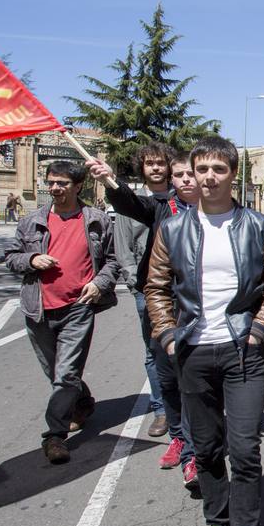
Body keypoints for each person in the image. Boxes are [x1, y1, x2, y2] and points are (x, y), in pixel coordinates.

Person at [146, 136, 264, 526]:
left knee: (244, 449)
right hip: (191, 351)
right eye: (201, 168)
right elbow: (157, 287)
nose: (207, 177)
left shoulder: (261, 226)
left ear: (233, 174)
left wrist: (260, 328)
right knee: (205, 448)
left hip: (243, 350)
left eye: (217, 169)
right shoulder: (172, 229)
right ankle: (218, 524)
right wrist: (167, 335)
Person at [89, 149, 202, 488]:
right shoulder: (161, 207)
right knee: (167, 374)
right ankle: (180, 438)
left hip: (200, 305)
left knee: (195, 375)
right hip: (163, 303)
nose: (184, 180)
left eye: (189, 174)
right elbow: (129, 204)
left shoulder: (218, 211)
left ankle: (194, 448)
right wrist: (110, 179)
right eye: (178, 174)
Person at [4, 160, 119, 464]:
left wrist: (99, 283)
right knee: (56, 372)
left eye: (62, 183)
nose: (54, 188)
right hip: (38, 308)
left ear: (78, 186)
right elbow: (11, 257)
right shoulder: (32, 221)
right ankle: (82, 401)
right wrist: (31, 260)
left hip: (78, 307)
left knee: (66, 373)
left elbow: (112, 261)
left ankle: (54, 436)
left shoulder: (96, 220)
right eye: (51, 182)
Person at [111, 142, 175, 440]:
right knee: (153, 351)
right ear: (143, 167)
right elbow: (122, 246)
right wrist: (132, 280)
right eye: (150, 163)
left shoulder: (180, 198)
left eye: (161, 162)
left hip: (178, 288)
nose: (156, 168)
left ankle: (181, 409)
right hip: (144, 288)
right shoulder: (131, 203)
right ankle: (161, 410)